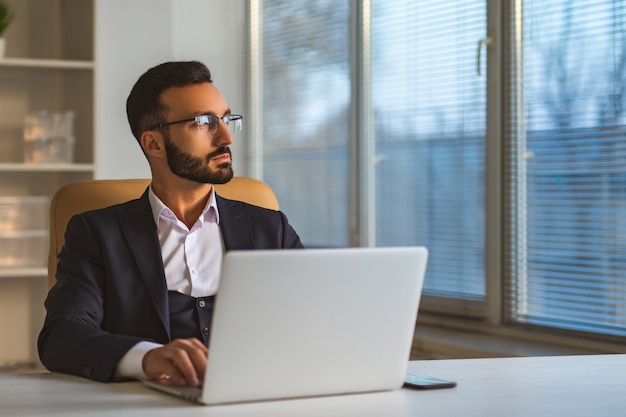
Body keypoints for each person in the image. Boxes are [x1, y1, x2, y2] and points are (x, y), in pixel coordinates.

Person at [37, 61, 304, 387]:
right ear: (154, 144)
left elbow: (316, 318)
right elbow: (61, 335)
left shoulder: (270, 228)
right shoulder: (97, 233)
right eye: (204, 122)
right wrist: (145, 358)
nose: (226, 137)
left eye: (226, 119)